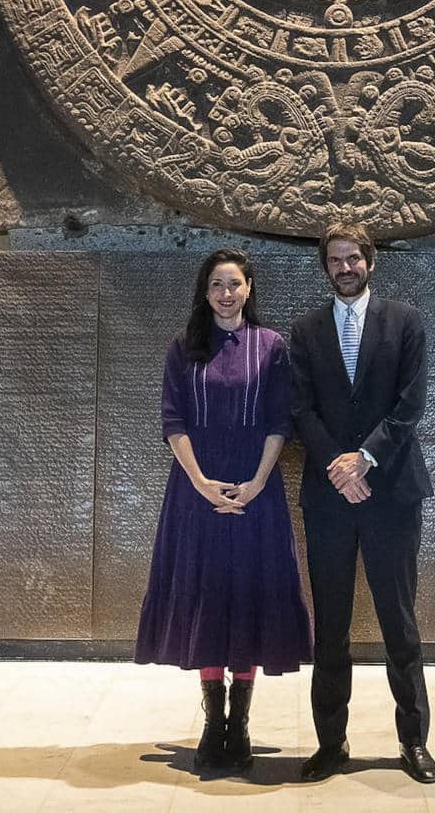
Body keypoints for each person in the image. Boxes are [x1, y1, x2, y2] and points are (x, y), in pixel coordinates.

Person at [135, 248, 313, 775]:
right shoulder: (183, 347)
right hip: (197, 492)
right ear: (205, 291)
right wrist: (200, 483)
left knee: (248, 597)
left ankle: (242, 723)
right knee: (209, 597)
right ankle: (214, 723)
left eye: (234, 283)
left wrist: (257, 482)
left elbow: (281, 420)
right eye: (216, 284)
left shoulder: (272, 346)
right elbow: (173, 420)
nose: (226, 292)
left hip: (256, 493)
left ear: (249, 288)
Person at [289, 221, 435, 785]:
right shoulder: (303, 331)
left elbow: (410, 403)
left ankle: (413, 741)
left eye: (353, 258)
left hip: (390, 494)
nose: (345, 268)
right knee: (329, 627)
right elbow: (301, 410)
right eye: (335, 260)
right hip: (330, 498)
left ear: (370, 262)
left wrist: (365, 459)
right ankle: (331, 744)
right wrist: (339, 464)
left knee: (399, 623)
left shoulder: (405, 322)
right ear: (325, 267)